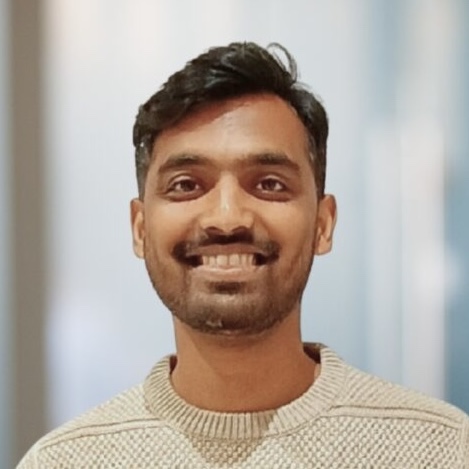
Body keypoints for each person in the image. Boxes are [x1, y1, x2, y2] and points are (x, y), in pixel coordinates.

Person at [18, 41, 469, 468]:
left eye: (269, 184)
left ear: (323, 224)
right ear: (140, 228)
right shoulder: (63, 462)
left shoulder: (443, 450)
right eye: (186, 185)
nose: (227, 217)